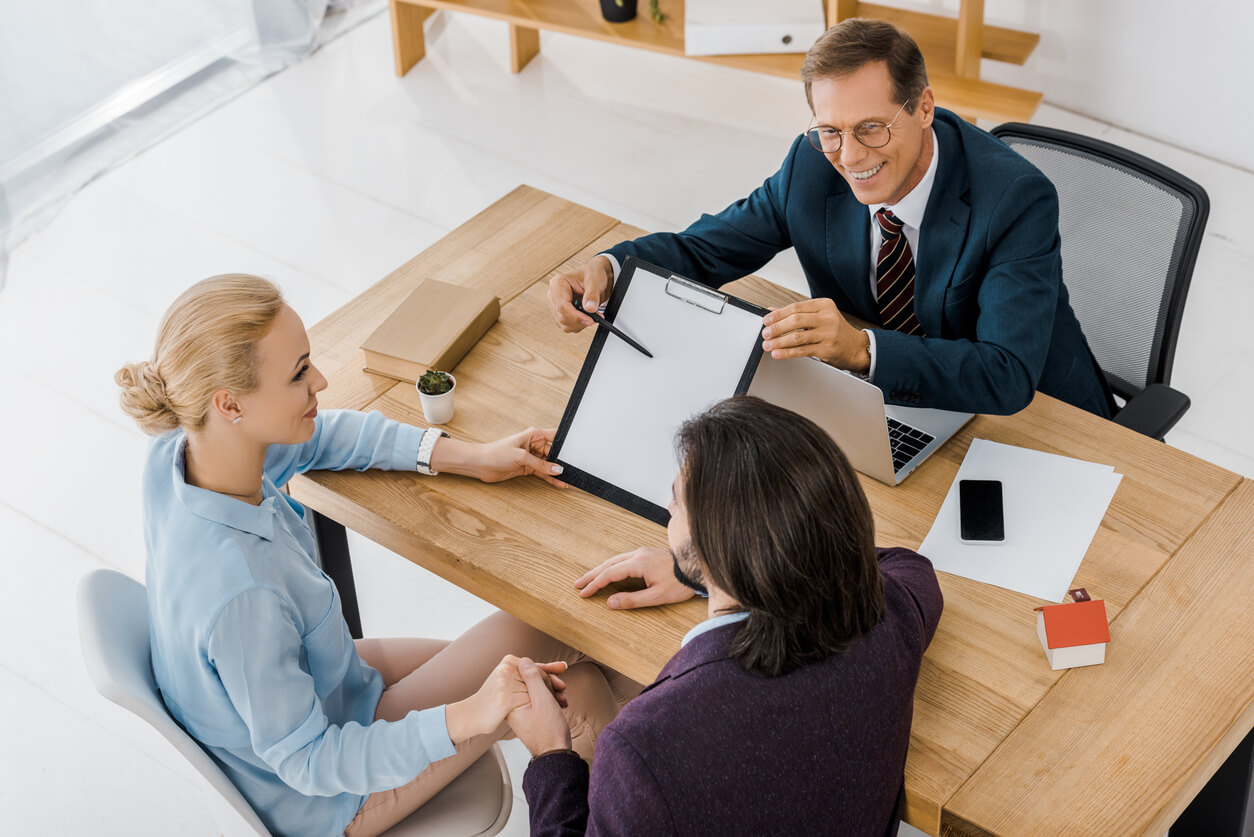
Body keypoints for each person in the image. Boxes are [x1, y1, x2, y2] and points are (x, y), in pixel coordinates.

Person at [116, 274, 638, 837]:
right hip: (332, 792)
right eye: (298, 374)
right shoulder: (243, 595)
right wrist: (471, 714)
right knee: (572, 677)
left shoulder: (184, 453)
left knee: (565, 659)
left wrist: (468, 456)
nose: (319, 379)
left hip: (331, 681)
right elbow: (310, 761)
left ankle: (648, 775)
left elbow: (318, 439)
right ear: (230, 403)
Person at [546, 18, 1113, 419]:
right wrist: (609, 268)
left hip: (1038, 418)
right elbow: (706, 251)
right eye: (831, 131)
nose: (851, 156)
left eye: (872, 128)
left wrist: (862, 350)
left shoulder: (1015, 199)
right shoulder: (811, 164)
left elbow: (1006, 375)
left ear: (923, 107)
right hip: (880, 400)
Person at [508, 395, 944, 835]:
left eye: (676, 503)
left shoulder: (644, 748)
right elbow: (909, 566)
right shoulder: (891, 617)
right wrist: (726, 574)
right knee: (583, 677)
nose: (669, 510)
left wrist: (550, 758)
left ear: (712, 547)